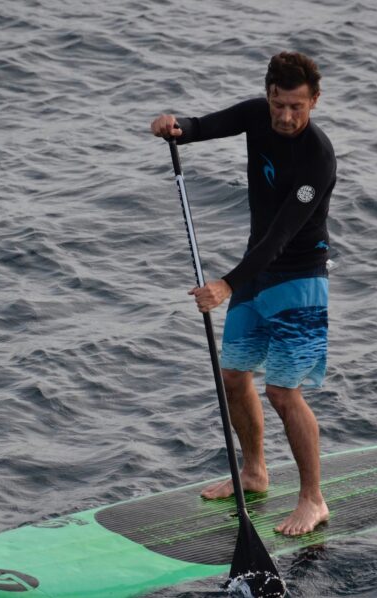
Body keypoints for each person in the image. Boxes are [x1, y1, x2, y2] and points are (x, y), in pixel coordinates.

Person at [150, 51, 335, 536]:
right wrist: (175, 126)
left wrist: (225, 285)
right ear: (269, 94)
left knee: (281, 391)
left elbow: (280, 236)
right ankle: (254, 473)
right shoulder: (258, 114)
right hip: (255, 268)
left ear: (314, 101)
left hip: (299, 278)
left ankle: (313, 500)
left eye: (297, 106)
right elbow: (202, 126)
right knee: (234, 376)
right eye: (278, 104)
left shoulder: (318, 156)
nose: (286, 116)